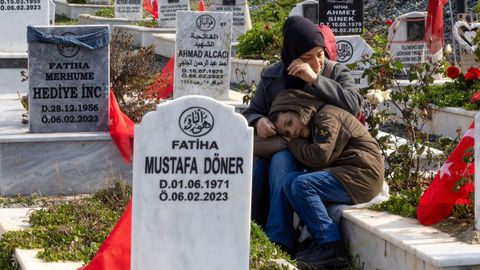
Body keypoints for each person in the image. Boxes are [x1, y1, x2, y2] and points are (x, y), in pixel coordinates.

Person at [242, 15, 363, 228]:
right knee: (258, 171)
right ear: (292, 56)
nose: (316, 63)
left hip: (323, 149)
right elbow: (252, 111)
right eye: (308, 57)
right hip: (281, 144)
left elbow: (353, 104)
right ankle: (253, 233)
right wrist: (258, 120)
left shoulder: (334, 72)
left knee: (281, 163)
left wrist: (316, 80)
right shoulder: (272, 76)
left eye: (320, 54)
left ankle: (279, 238)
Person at [266, 89, 384, 269]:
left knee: (301, 184)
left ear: (299, 108)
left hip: (362, 175)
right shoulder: (314, 122)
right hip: (347, 173)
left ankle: (331, 247)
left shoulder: (327, 116)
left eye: (290, 122)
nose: (293, 131)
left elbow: (320, 156)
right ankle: (316, 242)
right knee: (290, 181)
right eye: (288, 133)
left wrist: (291, 143)